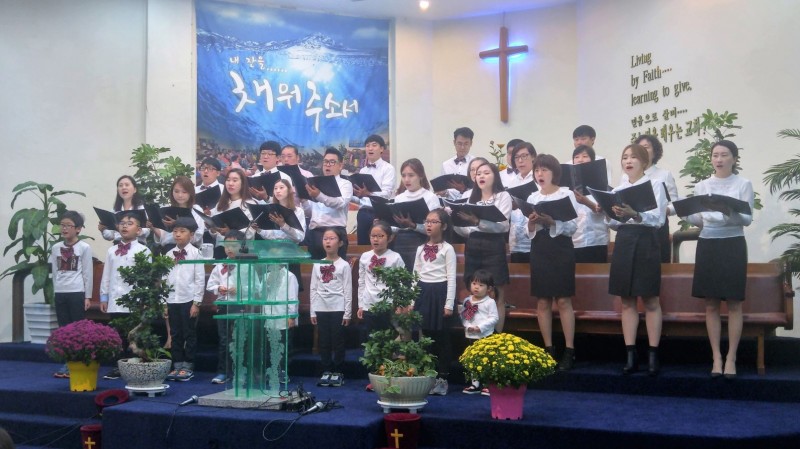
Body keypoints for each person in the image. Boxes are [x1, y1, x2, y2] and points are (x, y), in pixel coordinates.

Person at [683, 140, 753, 379]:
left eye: (724, 155)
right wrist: (685, 212)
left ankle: (731, 357)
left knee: (734, 303)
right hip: (708, 244)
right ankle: (716, 356)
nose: (719, 159)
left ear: (734, 158)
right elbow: (699, 220)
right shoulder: (702, 186)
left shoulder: (743, 184)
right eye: (715, 155)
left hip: (732, 244)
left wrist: (728, 210)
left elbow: (747, 220)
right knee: (711, 303)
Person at [605, 144, 667, 376]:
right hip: (624, 240)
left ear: (644, 162)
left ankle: (653, 354)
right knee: (627, 300)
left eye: (633, 157)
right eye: (624, 157)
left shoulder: (655, 185)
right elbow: (613, 224)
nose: (628, 161)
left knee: (650, 299)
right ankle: (630, 355)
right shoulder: (618, 190)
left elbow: (658, 220)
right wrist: (609, 213)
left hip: (646, 241)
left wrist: (636, 214)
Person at [526, 154, 580, 370]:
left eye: (544, 170)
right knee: (543, 301)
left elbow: (573, 227)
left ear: (554, 173)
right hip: (539, 248)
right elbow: (526, 230)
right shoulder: (532, 197)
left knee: (563, 300)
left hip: (561, 248)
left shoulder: (566, 194)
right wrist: (532, 224)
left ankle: (569, 350)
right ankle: (548, 349)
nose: (540, 174)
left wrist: (552, 222)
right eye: (537, 170)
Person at [454, 161, 511, 333]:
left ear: (495, 176)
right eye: (478, 174)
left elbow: (503, 226)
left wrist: (478, 222)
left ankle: (497, 338)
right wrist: (454, 221)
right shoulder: (470, 198)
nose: (481, 176)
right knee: (474, 292)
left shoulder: (502, 196)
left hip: (493, 246)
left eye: (486, 173)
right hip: (473, 246)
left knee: (497, 294)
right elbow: (467, 231)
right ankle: (474, 336)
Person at [100, 210, 151, 380]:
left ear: (139, 230)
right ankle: (119, 366)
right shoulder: (111, 251)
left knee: (134, 334)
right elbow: (107, 275)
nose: (125, 226)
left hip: (135, 301)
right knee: (117, 335)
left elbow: (146, 278)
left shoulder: (144, 250)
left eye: (130, 223)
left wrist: (144, 299)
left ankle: (135, 366)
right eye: (122, 223)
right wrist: (104, 297)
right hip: (115, 299)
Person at [413, 208, 457, 396]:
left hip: (440, 292)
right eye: (427, 221)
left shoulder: (448, 249)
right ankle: (428, 375)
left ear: (444, 226)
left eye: (433, 221)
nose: (428, 225)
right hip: (423, 292)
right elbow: (415, 276)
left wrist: (449, 304)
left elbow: (451, 277)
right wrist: (412, 299)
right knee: (426, 337)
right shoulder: (420, 248)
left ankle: (443, 378)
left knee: (442, 338)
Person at [49, 210, 93, 378]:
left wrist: (87, 296)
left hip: (76, 292)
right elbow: (55, 272)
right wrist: (56, 291)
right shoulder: (56, 248)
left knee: (77, 329)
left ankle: (78, 362)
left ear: (78, 229)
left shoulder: (84, 247)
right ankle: (67, 363)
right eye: (62, 225)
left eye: (69, 225)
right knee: (64, 329)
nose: (64, 228)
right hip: (61, 292)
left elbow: (87, 273)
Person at [623, 134, 679, 263]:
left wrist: (665, 210)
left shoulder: (664, 175)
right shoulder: (625, 177)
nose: (642, 150)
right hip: (633, 228)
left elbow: (675, 203)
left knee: (657, 264)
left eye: (646, 147)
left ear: (655, 152)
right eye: (638, 148)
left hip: (657, 227)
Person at [163, 217, 205, 382]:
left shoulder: (196, 253)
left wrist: (196, 303)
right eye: (175, 231)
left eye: (182, 231)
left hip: (188, 299)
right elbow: (165, 279)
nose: (178, 234)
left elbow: (199, 280)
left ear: (192, 234)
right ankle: (177, 364)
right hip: (172, 299)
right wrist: (163, 302)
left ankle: (188, 365)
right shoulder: (168, 254)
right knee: (175, 333)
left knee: (189, 333)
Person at [206, 230, 251, 385]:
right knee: (225, 339)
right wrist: (219, 288)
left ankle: (241, 372)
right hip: (224, 305)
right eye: (226, 245)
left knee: (241, 339)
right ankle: (223, 372)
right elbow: (210, 285)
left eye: (233, 245)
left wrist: (240, 289)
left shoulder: (248, 264)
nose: (229, 249)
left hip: (242, 305)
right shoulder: (220, 265)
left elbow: (256, 287)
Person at [310, 227, 352, 387]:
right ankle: (326, 370)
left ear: (340, 243)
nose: (328, 241)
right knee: (324, 341)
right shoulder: (317, 264)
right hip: (321, 306)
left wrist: (347, 313)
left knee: (338, 340)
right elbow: (313, 288)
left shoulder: (344, 265)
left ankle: (338, 371)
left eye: (332, 238)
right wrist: (313, 311)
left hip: (338, 307)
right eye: (325, 238)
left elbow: (348, 289)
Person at [392, 159, 441, 271]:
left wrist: (413, 225)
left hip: (422, 241)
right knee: (401, 276)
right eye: (403, 176)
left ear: (420, 176)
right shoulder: (399, 198)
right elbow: (395, 227)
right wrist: (384, 223)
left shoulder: (430, 197)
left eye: (411, 175)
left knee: (417, 276)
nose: (406, 179)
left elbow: (435, 228)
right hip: (401, 241)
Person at [303, 148, 353, 260]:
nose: (327, 165)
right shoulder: (315, 183)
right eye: (325, 162)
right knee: (315, 268)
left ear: (340, 165)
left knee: (336, 269)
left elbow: (340, 203)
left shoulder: (345, 184)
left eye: (332, 162)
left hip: (335, 233)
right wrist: (304, 200)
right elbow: (310, 213)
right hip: (315, 233)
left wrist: (319, 195)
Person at [459, 269, 499, 395]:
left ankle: (487, 384)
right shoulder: (467, 300)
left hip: (485, 335)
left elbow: (494, 318)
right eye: (474, 284)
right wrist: (468, 326)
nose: (476, 287)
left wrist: (480, 327)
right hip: (471, 335)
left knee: (486, 359)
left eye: (481, 285)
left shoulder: (490, 302)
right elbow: (463, 316)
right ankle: (475, 384)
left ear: (489, 288)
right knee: (473, 359)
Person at [352, 135, 396, 245]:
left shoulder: (388, 168)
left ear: (381, 149)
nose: (370, 148)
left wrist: (368, 193)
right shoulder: (363, 170)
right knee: (363, 246)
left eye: (374, 145)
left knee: (380, 246)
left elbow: (386, 194)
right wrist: (355, 195)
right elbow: (361, 199)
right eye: (367, 146)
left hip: (380, 213)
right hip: (363, 213)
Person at [571, 146, 610, 263]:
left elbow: (609, 213)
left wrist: (587, 203)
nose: (580, 160)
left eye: (585, 156)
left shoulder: (603, 186)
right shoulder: (567, 188)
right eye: (576, 157)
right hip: (574, 240)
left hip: (597, 240)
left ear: (592, 161)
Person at [151, 176, 206, 249]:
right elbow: (162, 238)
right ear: (172, 192)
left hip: (191, 249)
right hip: (169, 249)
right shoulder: (166, 209)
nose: (180, 195)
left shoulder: (196, 210)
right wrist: (153, 227)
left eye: (184, 192)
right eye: (176, 191)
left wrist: (178, 224)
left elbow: (198, 236)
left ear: (190, 193)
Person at [209, 168, 257, 247]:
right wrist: (213, 229)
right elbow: (216, 235)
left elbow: (251, 231)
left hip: (241, 249)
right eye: (228, 180)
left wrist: (230, 233)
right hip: (221, 248)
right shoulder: (220, 203)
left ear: (242, 183)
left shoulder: (250, 204)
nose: (230, 183)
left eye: (235, 180)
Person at [506, 142, 537, 263]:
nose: (520, 160)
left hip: (536, 240)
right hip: (516, 241)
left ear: (533, 156)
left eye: (524, 156)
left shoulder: (539, 178)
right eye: (517, 157)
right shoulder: (513, 182)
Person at [98, 175, 149, 243]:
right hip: (118, 245)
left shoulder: (141, 208)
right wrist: (103, 230)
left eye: (127, 185)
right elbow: (110, 236)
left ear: (134, 189)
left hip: (137, 244)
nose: (123, 187)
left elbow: (147, 231)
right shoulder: (115, 210)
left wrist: (131, 230)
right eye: (120, 185)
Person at [253, 179, 306, 244]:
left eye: (281, 187)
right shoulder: (271, 209)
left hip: (290, 248)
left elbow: (300, 237)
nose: (278, 191)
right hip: (273, 247)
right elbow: (270, 236)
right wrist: (259, 229)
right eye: (275, 188)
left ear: (289, 190)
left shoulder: (298, 211)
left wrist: (283, 225)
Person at [439, 127, 475, 199]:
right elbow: (443, 188)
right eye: (459, 143)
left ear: (471, 143)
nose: (462, 147)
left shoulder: (475, 163)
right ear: (454, 143)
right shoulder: (446, 164)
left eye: (466, 144)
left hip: (470, 202)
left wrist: (464, 189)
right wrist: (442, 192)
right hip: (450, 203)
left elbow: (481, 189)